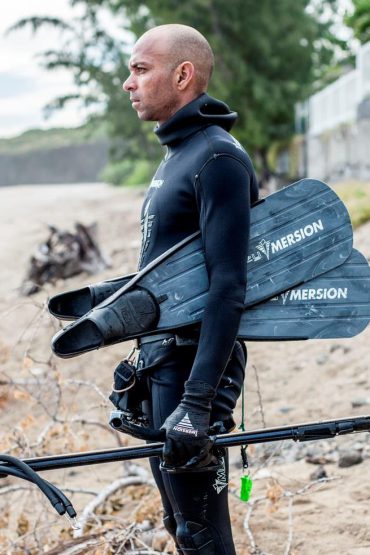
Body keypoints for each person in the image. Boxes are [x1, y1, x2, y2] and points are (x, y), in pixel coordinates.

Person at [122, 23, 259, 554]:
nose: (128, 84)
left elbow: (229, 286)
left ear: (183, 75)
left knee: (202, 534)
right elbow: (164, 274)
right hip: (165, 365)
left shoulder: (216, 158)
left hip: (194, 371)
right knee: (179, 525)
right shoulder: (178, 155)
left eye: (140, 69)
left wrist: (197, 404)